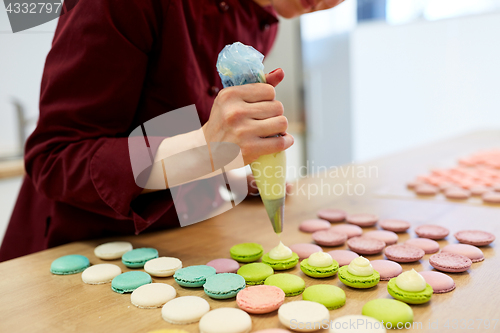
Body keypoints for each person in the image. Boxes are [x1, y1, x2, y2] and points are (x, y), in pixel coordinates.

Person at [0, 0, 345, 261]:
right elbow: (55, 159)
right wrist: (205, 148)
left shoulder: (265, 19)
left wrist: (228, 174)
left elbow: (180, 132)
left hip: (177, 244)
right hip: (71, 252)